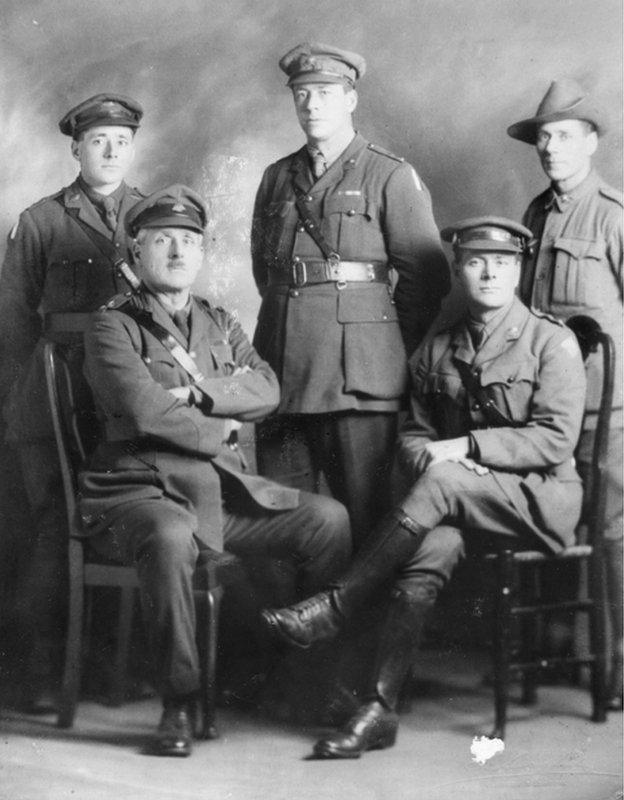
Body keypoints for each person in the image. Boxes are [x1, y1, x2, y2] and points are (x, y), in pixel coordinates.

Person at [261, 216, 587, 759]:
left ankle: (335, 607)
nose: (489, 273)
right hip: (458, 502)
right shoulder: (438, 348)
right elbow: (413, 434)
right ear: (458, 270)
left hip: (538, 499)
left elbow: (555, 439)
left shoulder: (550, 341)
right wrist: (444, 463)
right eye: (476, 262)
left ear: (519, 270)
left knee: (439, 481)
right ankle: (379, 710)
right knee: (423, 558)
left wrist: (466, 451)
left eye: (502, 263)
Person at [78, 185, 352, 756]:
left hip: (219, 496)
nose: (178, 252)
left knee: (328, 520)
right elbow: (142, 410)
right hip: (140, 493)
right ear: (136, 248)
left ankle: (305, 684)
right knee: (170, 536)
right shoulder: (111, 326)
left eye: (188, 241)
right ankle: (179, 702)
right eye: (162, 240)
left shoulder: (220, 322)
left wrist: (199, 394)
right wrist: (220, 427)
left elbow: (267, 388)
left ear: (202, 253)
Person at [251, 42, 450, 547]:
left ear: (350, 99)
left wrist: (380, 346)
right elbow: (267, 271)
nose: (311, 105)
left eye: (323, 93)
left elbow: (428, 281)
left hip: (359, 383)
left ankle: (356, 624)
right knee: (284, 522)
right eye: (301, 94)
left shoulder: (388, 174)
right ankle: (294, 623)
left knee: (365, 519)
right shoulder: (276, 178)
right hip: (284, 375)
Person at [0, 93, 144, 708]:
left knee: (124, 515)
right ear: (76, 149)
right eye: (98, 141)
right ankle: (40, 672)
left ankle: (115, 669)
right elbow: (12, 326)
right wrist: (19, 406)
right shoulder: (40, 220)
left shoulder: (151, 216)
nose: (110, 151)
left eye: (121, 141)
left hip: (126, 394)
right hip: (55, 395)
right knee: (55, 523)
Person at [508, 78, 623, 709]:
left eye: (563, 137)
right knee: (549, 522)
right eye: (543, 138)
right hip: (544, 409)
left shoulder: (613, 215)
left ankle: (619, 665)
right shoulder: (533, 216)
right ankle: (554, 651)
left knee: (612, 534)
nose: (550, 148)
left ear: (591, 142)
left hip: (610, 412)